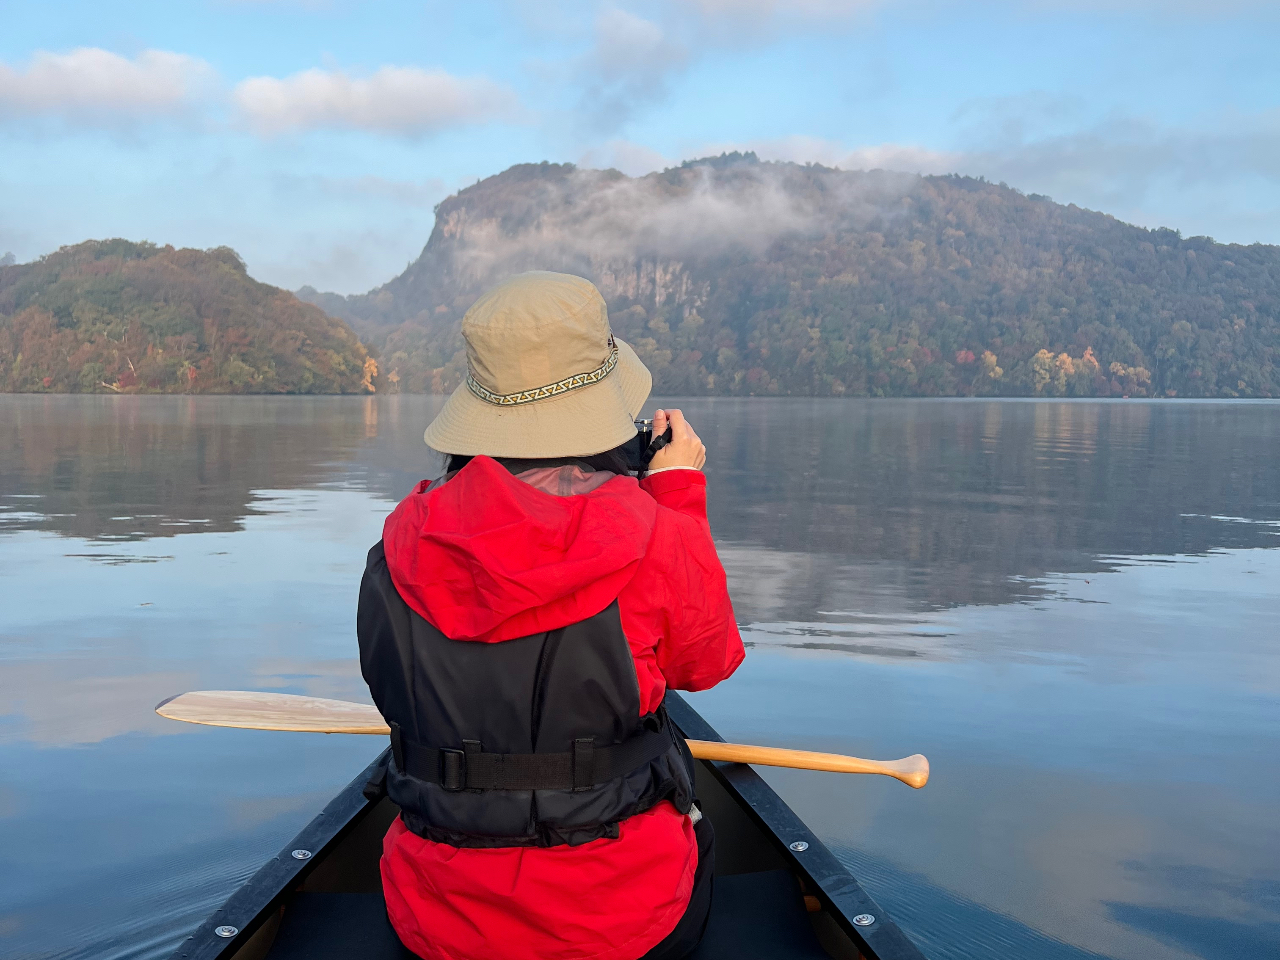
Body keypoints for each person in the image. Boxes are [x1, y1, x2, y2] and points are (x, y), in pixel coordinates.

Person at [357, 270, 744, 960]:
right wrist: (678, 495)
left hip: (434, 920)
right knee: (698, 834)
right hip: (620, 924)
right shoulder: (655, 534)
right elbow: (704, 666)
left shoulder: (396, 545)